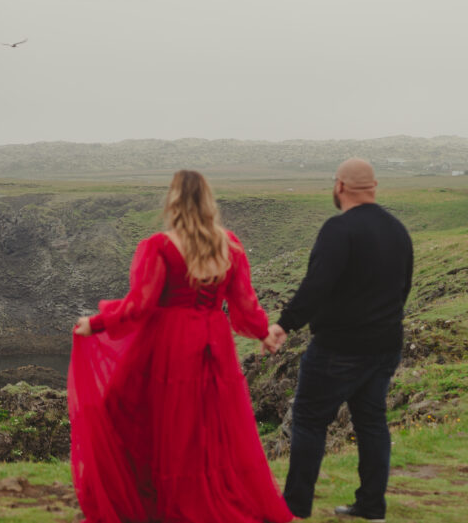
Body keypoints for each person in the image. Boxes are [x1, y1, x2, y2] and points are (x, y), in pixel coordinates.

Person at [68, 169, 293, 523]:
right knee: (208, 425)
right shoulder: (228, 245)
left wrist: (95, 324)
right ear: (208, 201)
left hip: (170, 344)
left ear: (173, 201)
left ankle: (152, 499)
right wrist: (264, 332)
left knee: (138, 415)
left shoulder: (160, 246)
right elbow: (245, 305)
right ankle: (208, 494)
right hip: (214, 344)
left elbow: (140, 304)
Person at [276, 158, 412, 521]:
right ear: (374, 186)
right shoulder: (397, 230)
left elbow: (316, 285)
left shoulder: (339, 230)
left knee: (308, 419)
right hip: (385, 346)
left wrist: (284, 324)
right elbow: (403, 289)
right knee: (371, 423)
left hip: (339, 347)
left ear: (339, 187)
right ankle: (372, 506)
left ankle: (295, 506)